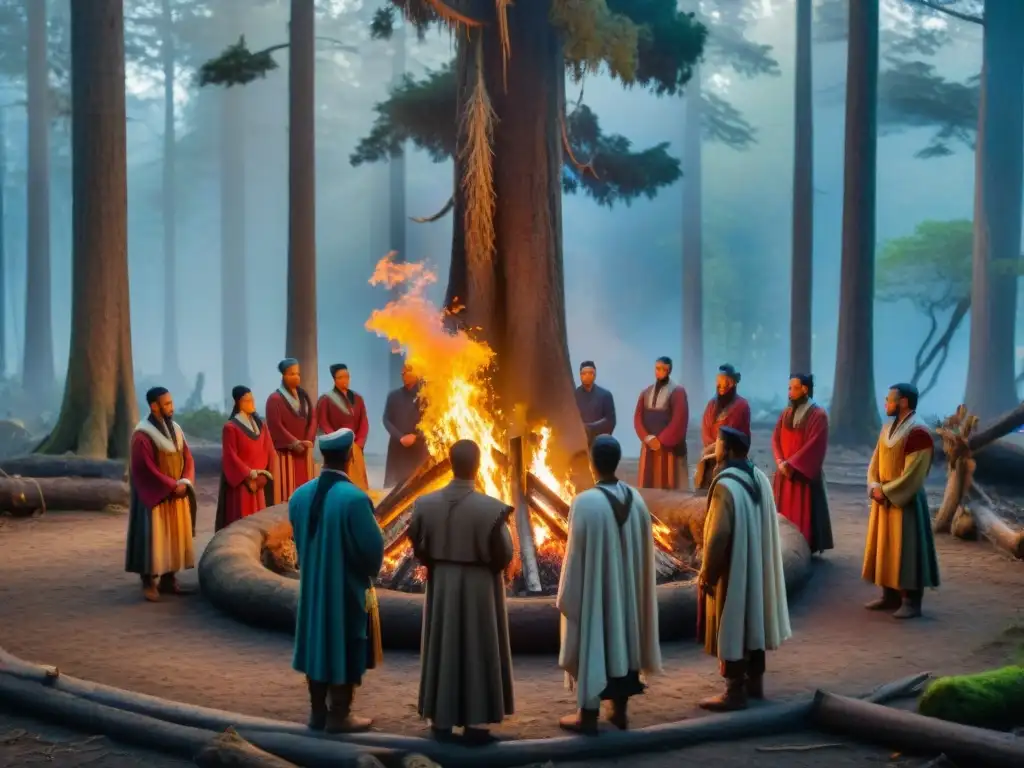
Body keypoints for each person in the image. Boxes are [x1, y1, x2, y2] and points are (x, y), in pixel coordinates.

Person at [408, 439, 515, 743]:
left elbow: (417, 543)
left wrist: (438, 561)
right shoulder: (490, 509)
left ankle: (440, 721)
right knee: (476, 647)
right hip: (480, 588)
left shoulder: (425, 504)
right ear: (478, 466)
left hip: (442, 584)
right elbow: (504, 553)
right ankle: (475, 725)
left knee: (443, 646)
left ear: (450, 463)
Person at [557, 435, 662, 735]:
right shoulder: (637, 500)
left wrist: (567, 595)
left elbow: (574, 556)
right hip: (626, 594)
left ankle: (587, 716)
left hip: (595, 595)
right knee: (623, 639)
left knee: (594, 638)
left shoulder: (585, 503)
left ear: (592, 463)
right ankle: (620, 712)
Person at [290, 427, 385, 733]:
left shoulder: (299, 496)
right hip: (345, 589)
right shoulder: (355, 499)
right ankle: (340, 714)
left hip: (311, 588)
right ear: (349, 456)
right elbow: (372, 552)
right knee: (345, 643)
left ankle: (317, 713)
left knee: (315, 642)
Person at [697, 426, 791, 711]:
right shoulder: (759, 476)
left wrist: (707, 573)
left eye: (718, 444)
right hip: (756, 563)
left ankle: (734, 691)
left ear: (727, 448)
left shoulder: (726, 485)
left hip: (733, 568)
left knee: (733, 620)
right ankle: (755, 684)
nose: (715, 447)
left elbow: (718, 535)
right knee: (754, 619)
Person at [862, 383, 940, 619]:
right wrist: (874, 485)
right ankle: (890, 595)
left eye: (890, 399)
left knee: (907, 548)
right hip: (883, 498)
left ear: (903, 402)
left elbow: (914, 473)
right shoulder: (887, 428)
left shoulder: (919, 432)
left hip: (905, 501)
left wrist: (887, 492)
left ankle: (911, 600)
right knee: (885, 546)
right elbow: (875, 461)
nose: (886, 403)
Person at [125, 387, 197, 602]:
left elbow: (188, 457)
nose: (171, 407)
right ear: (153, 406)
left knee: (174, 535)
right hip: (156, 494)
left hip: (177, 490)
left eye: (171, 403)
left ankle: (169, 578)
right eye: (166, 404)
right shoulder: (142, 435)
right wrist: (169, 485)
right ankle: (148, 581)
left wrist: (185, 481)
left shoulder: (176, 429)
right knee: (153, 537)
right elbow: (144, 468)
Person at [771, 374, 834, 554]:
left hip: (801, 473)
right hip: (784, 472)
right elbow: (776, 437)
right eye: (789, 388)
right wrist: (780, 461)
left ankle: (804, 548)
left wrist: (791, 465)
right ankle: (785, 545)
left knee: (804, 513)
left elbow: (814, 444)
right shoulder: (786, 413)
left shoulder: (818, 415)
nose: (790, 392)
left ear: (805, 389)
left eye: (794, 388)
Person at [215, 385, 275, 531]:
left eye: (252, 400)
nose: (251, 403)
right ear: (238, 403)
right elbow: (230, 456)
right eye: (247, 401)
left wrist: (263, 476)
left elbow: (269, 450)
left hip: (259, 482)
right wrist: (248, 476)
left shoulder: (262, 426)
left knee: (260, 523)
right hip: (242, 485)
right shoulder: (231, 427)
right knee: (242, 524)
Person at [633, 356, 690, 490]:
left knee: (668, 484)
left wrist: (661, 440)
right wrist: (647, 438)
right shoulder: (646, 393)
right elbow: (638, 418)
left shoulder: (678, 392)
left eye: (664, 369)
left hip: (668, 449)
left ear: (669, 370)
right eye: (658, 368)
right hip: (649, 446)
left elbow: (679, 420)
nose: (660, 372)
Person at [266, 357, 317, 504]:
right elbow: (275, 425)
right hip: (286, 454)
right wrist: (294, 442)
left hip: (305, 452)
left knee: (306, 490)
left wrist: (308, 439)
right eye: (292, 374)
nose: (296, 377)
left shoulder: (304, 397)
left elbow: (313, 418)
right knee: (287, 490)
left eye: (298, 374)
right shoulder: (274, 399)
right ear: (284, 376)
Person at [695, 364, 752, 490]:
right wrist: (710, 447)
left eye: (725, 382)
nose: (721, 387)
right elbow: (705, 429)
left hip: (730, 457)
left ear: (732, 384)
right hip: (710, 455)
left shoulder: (742, 406)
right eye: (719, 383)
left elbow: (737, 433)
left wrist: (719, 447)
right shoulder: (712, 404)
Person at [316, 363, 370, 491]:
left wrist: (359, 441)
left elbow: (364, 422)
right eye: (341, 377)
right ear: (334, 379)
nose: (345, 380)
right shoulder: (326, 399)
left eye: (347, 376)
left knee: (359, 482)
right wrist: (338, 440)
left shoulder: (358, 398)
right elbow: (323, 423)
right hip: (338, 448)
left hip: (356, 446)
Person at [383, 363, 428, 487]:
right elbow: (386, 419)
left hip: (419, 448)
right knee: (395, 487)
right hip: (398, 446)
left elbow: (433, 422)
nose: (403, 375)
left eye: (407, 372)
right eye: (402, 373)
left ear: (416, 373)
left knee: (418, 485)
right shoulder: (394, 395)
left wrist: (416, 437)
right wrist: (400, 437)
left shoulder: (426, 395)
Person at [574, 360, 617, 445]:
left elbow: (611, 420)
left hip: (599, 445)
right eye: (584, 373)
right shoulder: (573, 396)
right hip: (578, 444)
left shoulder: (605, 395)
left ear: (595, 375)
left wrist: (590, 428)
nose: (587, 376)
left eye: (590, 373)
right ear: (580, 375)